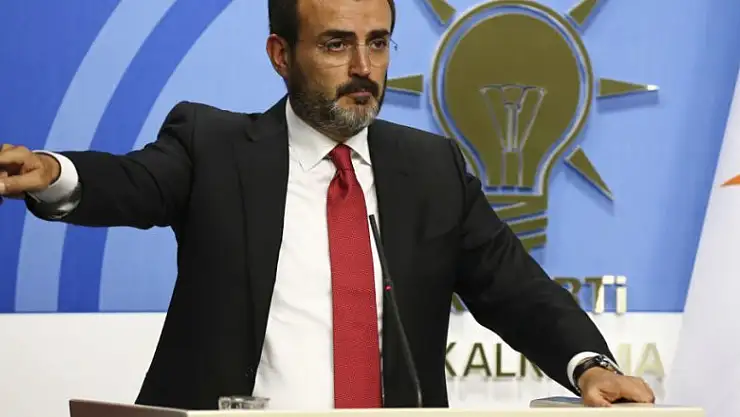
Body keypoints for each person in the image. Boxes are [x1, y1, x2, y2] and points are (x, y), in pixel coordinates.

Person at [0, 0, 655, 411]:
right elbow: (133, 180)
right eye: (337, 44)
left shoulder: (431, 168)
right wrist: (52, 172)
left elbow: (515, 289)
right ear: (281, 54)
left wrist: (589, 365)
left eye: (379, 42)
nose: (364, 66)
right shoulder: (213, 146)